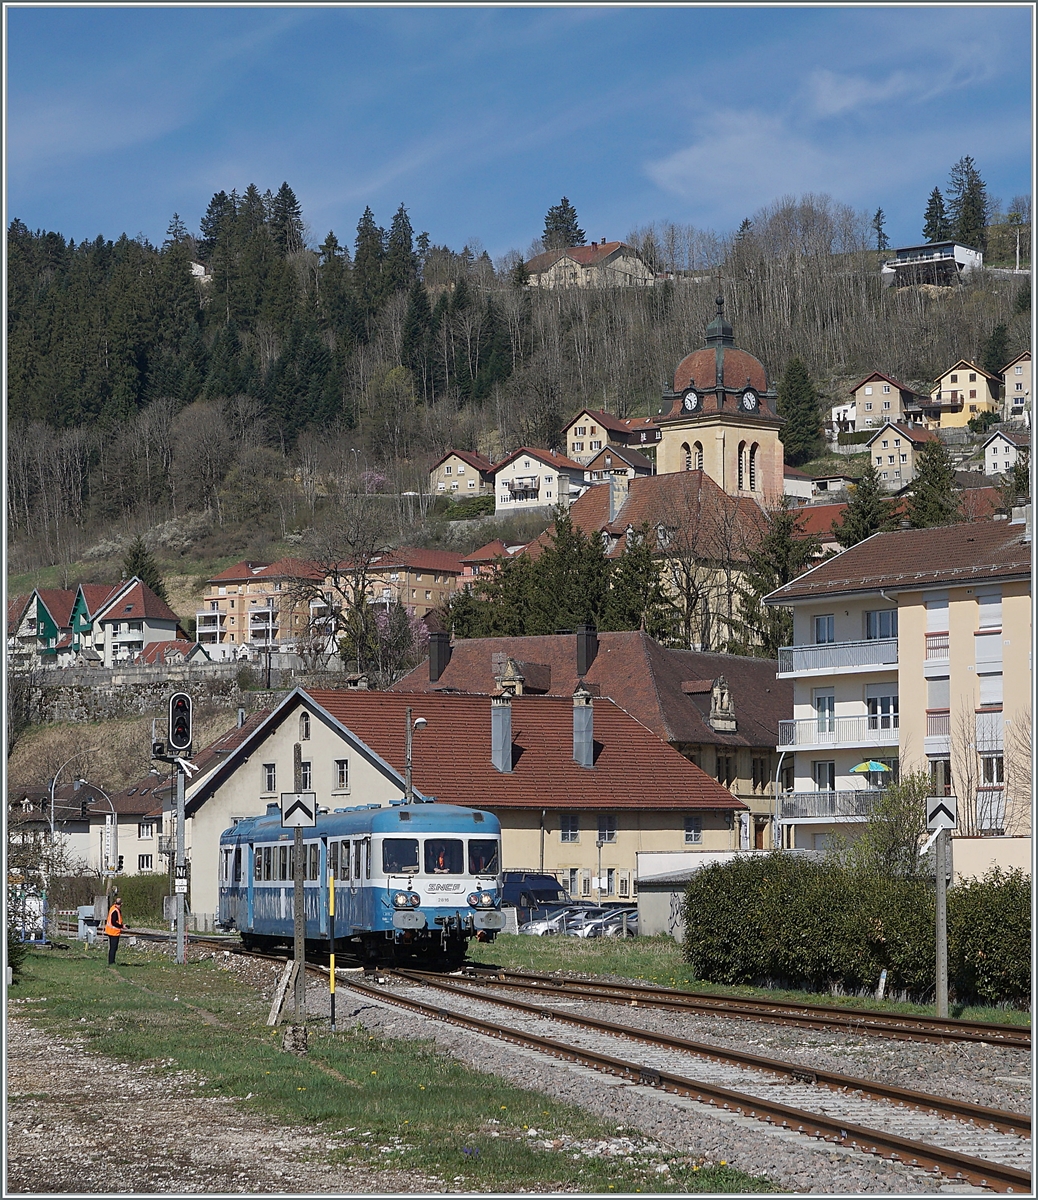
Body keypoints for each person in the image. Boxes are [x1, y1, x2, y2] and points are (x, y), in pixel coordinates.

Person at [105, 895, 124, 964]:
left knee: (112, 948)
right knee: (113, 948)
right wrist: (122, 926)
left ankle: (111, 961)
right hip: (114, 932)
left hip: (110, 931)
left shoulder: (113, 908)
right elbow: (113, 922)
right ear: (121, 904)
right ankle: (111, 962)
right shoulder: (116, 911)